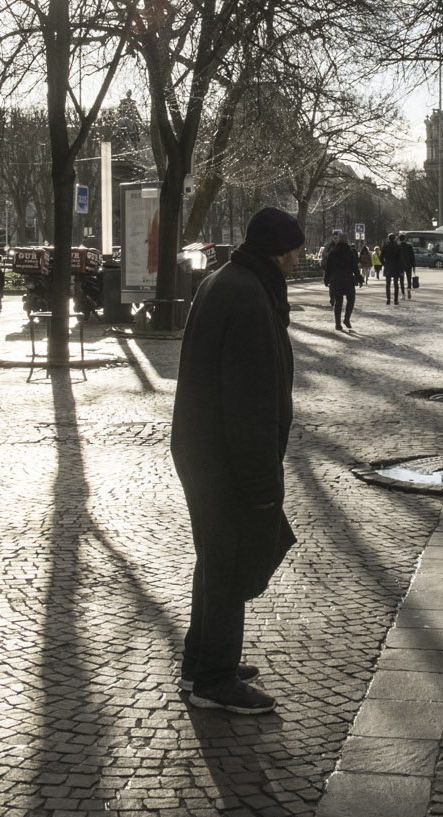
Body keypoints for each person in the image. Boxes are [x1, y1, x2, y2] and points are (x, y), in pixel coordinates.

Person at [172, 206, 302, 715]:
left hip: (204, 448)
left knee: (215, 558)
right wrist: (262, 482)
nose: (299, 257)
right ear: (280, 250)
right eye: (296, 248)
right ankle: (214, 679)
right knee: (228, 563)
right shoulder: (249, 296)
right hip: (224, 454)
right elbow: (248, 401)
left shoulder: (227, 279)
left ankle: (199, 660)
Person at [322, 230, 359, 331]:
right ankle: (346, 318)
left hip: (335, 280)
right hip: (348, 279)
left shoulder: (333, 252)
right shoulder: (350, 252)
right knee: (351, 299)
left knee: (338, 301)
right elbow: (354, 267)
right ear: (347, 240)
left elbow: (328, 267)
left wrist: (326, 279)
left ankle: (337, 324)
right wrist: (359, 278)